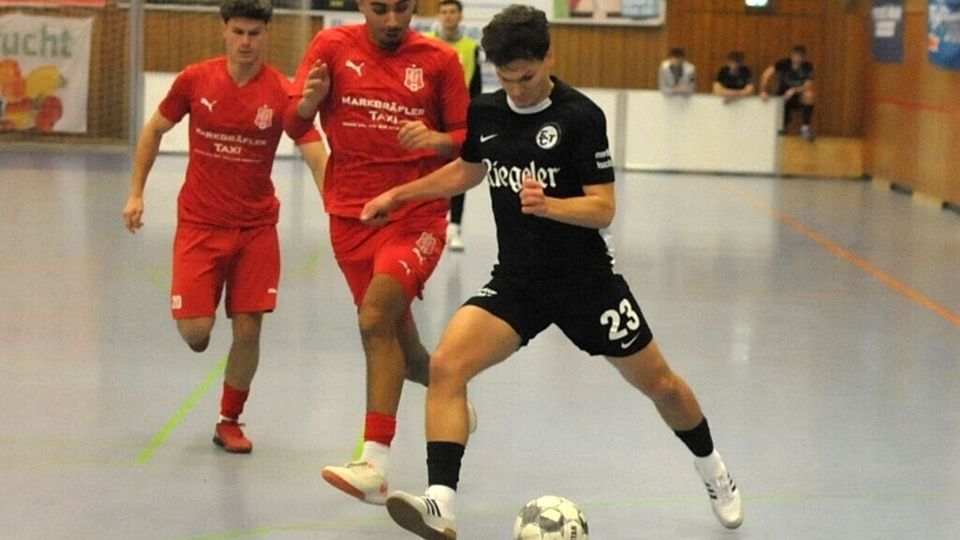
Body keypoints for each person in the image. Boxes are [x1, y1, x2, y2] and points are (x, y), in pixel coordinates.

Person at [360, 6, 743, 538]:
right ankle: (440, 502)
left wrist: (551, 205)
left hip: (587, 285)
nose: (517, 89)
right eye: (507, 78)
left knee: (660, 384)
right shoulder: (489, 112)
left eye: (528, 78)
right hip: (518, 282)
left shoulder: (580, 117)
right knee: (447, 366)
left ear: (549, 59)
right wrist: (400, 194)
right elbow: (470, 169)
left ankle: (713, 469)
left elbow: (604, 209)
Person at [284, 0, 474, 505]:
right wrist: (309, 102)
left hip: (416, 215)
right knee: (402, 347)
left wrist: (435, 140)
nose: (393, 22)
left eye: (403, 10)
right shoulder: (329, 47)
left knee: (373, 320)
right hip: (350, 217)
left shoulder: (439, 60)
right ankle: (450, 399)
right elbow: (292, 123)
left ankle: (375, 462)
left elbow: (467, 141)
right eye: (381, 9)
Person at [122, 0, 326, 454]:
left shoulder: (282, 91)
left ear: (267, 34)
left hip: (256, 228)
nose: (246, 41)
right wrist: (136, 192)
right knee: (197, 335)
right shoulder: (195, 80)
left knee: (249, 329)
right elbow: (154, 129)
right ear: (224, 31)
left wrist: (335, 200)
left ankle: (229, 420)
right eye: (239, 32)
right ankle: (195, 306)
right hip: (200, 223)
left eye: (255, 33)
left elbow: (313, 148)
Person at [426, 0, 482, 252]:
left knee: (460, 171)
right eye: (444, 12)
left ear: (460, 16)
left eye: (453, 12)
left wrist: (477, 117)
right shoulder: (427, 42)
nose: (448, 17)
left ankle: (455, 227)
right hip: (431, 119)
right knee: (428, 170)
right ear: (439, 16)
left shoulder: (470, 47)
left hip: (459, 120)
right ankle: (427, 219)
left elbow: (476, 86)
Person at [760, 44, 815, 141]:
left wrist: (794, 90)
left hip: (797, 96)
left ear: (804, 58)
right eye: (795, 56)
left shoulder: (808, 66)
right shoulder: (784, 63)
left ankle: (805, 128)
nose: (797, 59)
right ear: (791, 55)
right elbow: (766, 74)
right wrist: (763, 91)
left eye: (800, 57)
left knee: (809, 95)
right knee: (780, 126)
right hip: (782, 96)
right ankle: (779, 129)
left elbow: (808, 85)